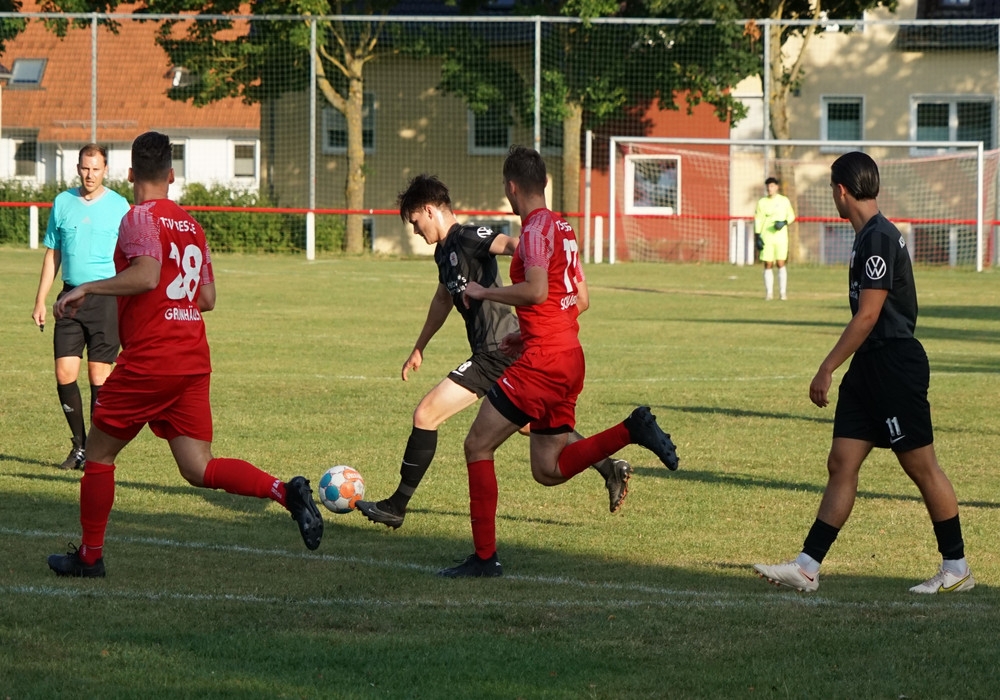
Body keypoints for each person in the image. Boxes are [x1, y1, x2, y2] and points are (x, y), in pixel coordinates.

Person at [46, 131, 323, 578]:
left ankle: (90, 557)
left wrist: (88, 288)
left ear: (130, 174)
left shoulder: (138, 216)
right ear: (172, 175)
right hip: (192, 357)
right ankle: (283, 491)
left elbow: (147, 276)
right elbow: (207, 297)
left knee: (97, 454)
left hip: (152, 358)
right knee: (198, 466)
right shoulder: (192, 225)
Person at [438, 145, 680, 578]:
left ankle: (484, 558)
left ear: (511, 187)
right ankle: (630, 429)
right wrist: (524, 333)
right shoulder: (563, 228)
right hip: (568, 356)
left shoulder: (533, 231)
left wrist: (484, 291)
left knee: (477, 445)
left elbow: (535, 291)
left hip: (543, 363)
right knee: (547, 470)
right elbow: (580, 300)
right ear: (545, 183)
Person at [356, 175, 633, 529]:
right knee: (530, 428)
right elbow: (443, 299)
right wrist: (419, 347)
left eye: (414, 221)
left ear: (428, 210)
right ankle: (609, 467)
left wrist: (554, 277)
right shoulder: (443, 252)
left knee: (426, 414)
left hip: (495, 352)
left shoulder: (469, 237)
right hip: (500, 352)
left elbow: (516, 245)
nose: (414, 230)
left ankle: (396, 506)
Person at [753, 151, 974, 595]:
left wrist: (827, 367)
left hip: (893, 364)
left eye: (830, 189)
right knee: (842, 462)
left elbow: (868, 316)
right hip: (869, 366)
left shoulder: (878, 238)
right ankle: (807, 567)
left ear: (841, 191)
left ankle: (957, 568)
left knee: (921, 466)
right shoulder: (868, 236)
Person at [32, 144, 131, 470]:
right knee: (64, 373)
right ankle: (79, 447)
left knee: (98, 377)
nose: (90, 175)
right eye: (85, 168)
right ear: (78, 168)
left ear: (106, 170)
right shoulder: (62, 202)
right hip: (69, 299)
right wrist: (41, 299)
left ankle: (96, 452)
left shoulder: (120, 206)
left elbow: (131, 256)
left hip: (105, 301)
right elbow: (53, 253)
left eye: (96, 169)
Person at [753, 176, 795, 301]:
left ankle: (782, 293)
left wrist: (783, 222)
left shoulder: (784, 201)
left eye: (772, 186)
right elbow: (758, 219)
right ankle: (769, 293)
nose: (769, 188)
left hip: (781, 238)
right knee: (768, 264)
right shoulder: (762, 202)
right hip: (767, 237)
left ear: (777, 187)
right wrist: (757, 235)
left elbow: (791, 216)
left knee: (781, 263)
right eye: (768, 186)